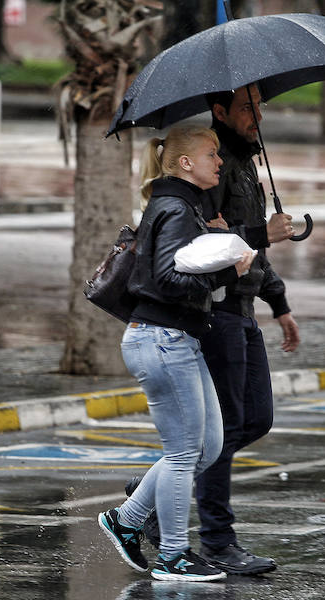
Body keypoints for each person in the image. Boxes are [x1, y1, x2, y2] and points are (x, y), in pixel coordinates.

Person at [98, 124, 255, 583]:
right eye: (212, 154)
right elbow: (166, 281)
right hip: (162, 339)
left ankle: (126, 520)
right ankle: (173, 554)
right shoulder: (174, 207)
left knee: (207, 447)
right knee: (186, 451)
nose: (220, 161)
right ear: (186, 163)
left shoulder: (181, 206)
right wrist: (229, 270)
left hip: (173, 338)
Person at [195, 83, 298, 575]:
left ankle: (148, 496)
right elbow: (206, 245)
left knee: (256, 419)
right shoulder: (212, 163)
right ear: (220, 111)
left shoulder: (245, 162)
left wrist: (278, 302)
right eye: (246, 107)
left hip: (245, 309)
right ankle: (217, 540)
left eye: (260, 106)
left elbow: (247, 250)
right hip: (217, 310)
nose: (257, 115)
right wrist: (260, 232)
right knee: (228, 426)